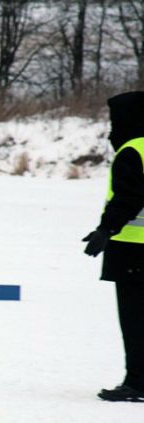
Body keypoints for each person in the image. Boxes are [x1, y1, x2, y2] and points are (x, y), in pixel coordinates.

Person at [82, 91, 144, 403]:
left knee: (136, 320)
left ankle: (138, 382)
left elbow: (128, 198)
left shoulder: (134, 150)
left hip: (136, 251)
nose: (111, 130)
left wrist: (105, 230)